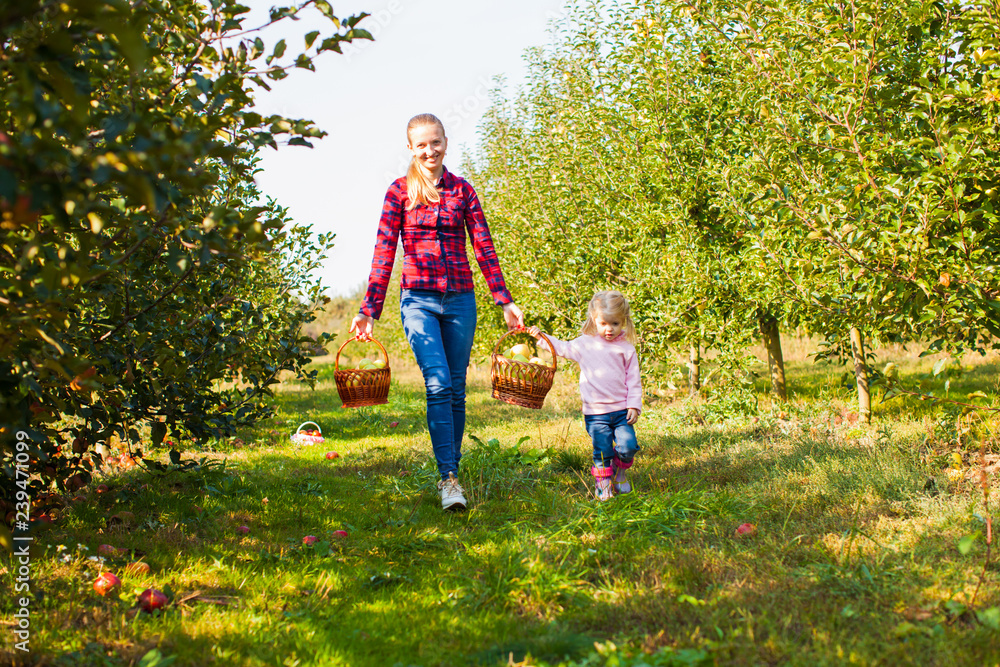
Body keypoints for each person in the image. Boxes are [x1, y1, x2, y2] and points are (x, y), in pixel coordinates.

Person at [350, 113, 524, 512]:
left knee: (457, 389)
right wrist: (369, 307)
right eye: (421, 145)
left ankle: (453, 472)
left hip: (461, 299)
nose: (429, 151)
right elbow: (384, 253)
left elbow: (483, 247)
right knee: (438, 383)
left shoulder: (463, 191)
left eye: (436, 142)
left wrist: (505, 300)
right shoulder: (400, 193)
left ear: (446, 142)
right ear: (410, 149)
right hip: (418, 301)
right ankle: (448, 479)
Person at [527, 290, 642, 501]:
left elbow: (634, 380)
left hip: (621, 410)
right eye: (603, 323)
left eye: (615, 324)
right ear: (594, 320)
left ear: (623, 321)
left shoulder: (626, 349)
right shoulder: (585, 343)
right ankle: (603, 483)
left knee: (628, 447)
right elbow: (561, 347)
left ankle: (619, 472)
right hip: (596, 411)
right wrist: (541, 337)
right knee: (602, 450)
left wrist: (634, 405)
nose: (609, 329)